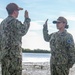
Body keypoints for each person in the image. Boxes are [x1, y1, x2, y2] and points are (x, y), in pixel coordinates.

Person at [0, 3, 31, 75]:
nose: (18, 13)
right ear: (14, 11)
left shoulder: (2, 23)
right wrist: (27, 19)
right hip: (14, 57)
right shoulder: (14, 22)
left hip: (4, 56)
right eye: (18, 11)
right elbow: (23, 30)